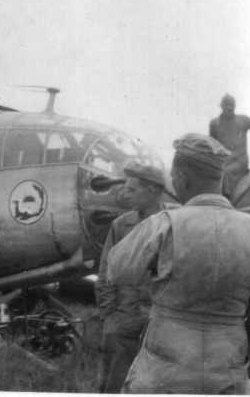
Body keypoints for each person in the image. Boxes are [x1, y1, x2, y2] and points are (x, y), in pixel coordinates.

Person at [107, 133, 250, 394]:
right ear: (219, 178)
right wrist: (238, 341)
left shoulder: (164, 224)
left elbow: (118, 271)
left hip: (163, 366)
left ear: (181, 178)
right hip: (228, 367)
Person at [95, 161, 166, 393]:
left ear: (150, 191)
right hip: (123, 321)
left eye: (132, 189)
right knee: (112, 385)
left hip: (161, 322)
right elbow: (106, 272)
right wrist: (110, 317)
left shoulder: (174, 224)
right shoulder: (121, 225)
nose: (126, 194)